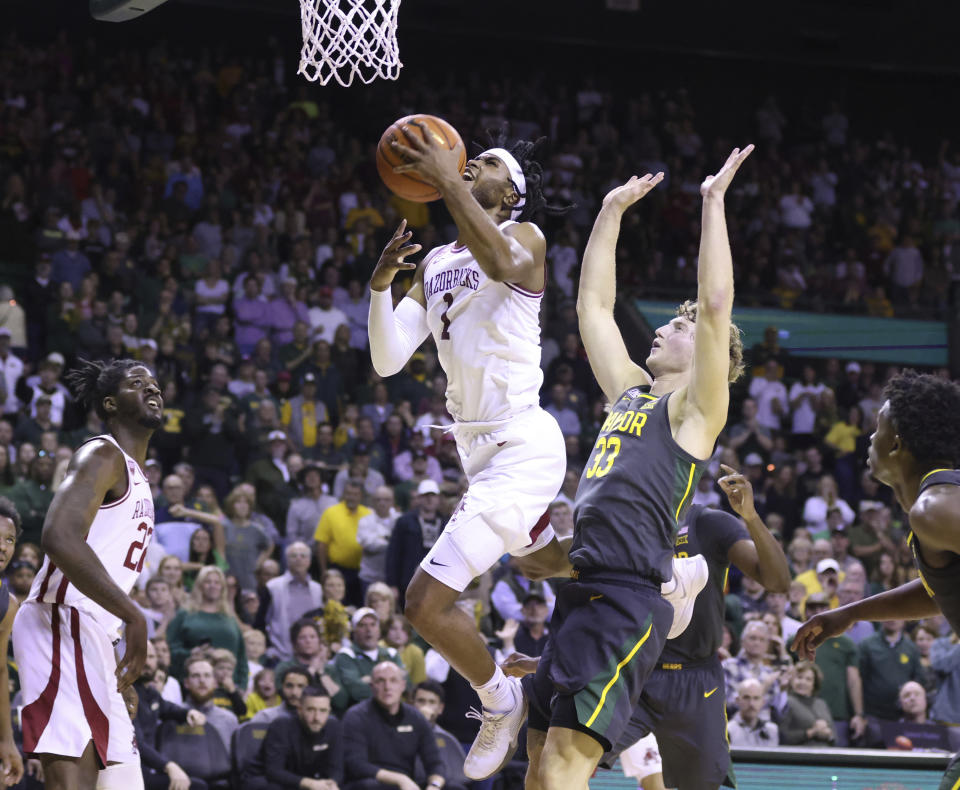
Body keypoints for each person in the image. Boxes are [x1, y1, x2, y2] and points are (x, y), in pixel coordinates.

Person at [520, 149, 754, 790]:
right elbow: (593, 308)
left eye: (679, 326)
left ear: (713, 360)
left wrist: (712, 202)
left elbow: (714, 304)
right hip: (580, 588)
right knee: (539, 771)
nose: (669, 325)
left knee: (568, 767)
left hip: (625, 598)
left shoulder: (696, 412)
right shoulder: (629, 392)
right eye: (671, 319)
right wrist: (609, 211)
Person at [368, 130, 574, 779]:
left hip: (525, 440)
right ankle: (617, 592)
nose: (467, 163)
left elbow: (501, 261)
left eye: (483, 163)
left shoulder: (529, 237)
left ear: (510, 193)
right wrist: (379, 289)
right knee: (543, 562)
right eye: (466, 161)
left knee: (423, 605)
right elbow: (388, 358)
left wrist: (448, 181)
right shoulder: (433, 264)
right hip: (476, 452)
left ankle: (498, 698)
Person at [793, 371, 960, 788]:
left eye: (877, 429)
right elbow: (943, 590)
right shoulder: (937, 506)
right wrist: (850, 613)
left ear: (897, 444)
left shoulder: (934, 508)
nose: (869, 439)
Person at [13, 359, 163, 790]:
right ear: (111, 403)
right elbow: (58, 537)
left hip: (93, 636)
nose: (153, 389)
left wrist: (110, 651)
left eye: (154, 384)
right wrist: (134, 616)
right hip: (60, 620)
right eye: (138, 384)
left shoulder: (139, 476)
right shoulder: (102, 454)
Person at [342, 661, 451, 790]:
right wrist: (400, 779)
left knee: (455, 787)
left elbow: (435, 762)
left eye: (393, 680)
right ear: (371, 686)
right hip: (370, 782)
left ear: (403, 685)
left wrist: (434, 785)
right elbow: (356, 764)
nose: (387, 687)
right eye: (380, 681)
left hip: (406, 784)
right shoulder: (356, 716)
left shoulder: (416, 718)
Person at [257, 686, 344, 790]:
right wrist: (310, 784)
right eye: (311, 710)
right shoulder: (281, 725)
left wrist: (331, 783)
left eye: (323, 711)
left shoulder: (333, 726)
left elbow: (336, 767)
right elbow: (273, 771)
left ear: (329, 711)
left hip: (310, 781)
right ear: (299, 709)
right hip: (269, 780)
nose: (317, 718)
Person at [779, 660, 836, 746]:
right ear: (792, 680)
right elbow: (783, 737)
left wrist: (828, 734)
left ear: (814, 684)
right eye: (799, 677)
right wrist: (811, 733)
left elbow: (835, 737)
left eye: (808, 679)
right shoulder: (786, 702)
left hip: (825, 755)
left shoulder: (821, 703)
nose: (803, 682)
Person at [726, 679, 779, 747]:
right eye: (746, 697)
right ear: (737, 700)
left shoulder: (772, 730)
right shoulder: (728, 731)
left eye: (756, 698)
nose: (751, 703)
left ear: (763, 702)